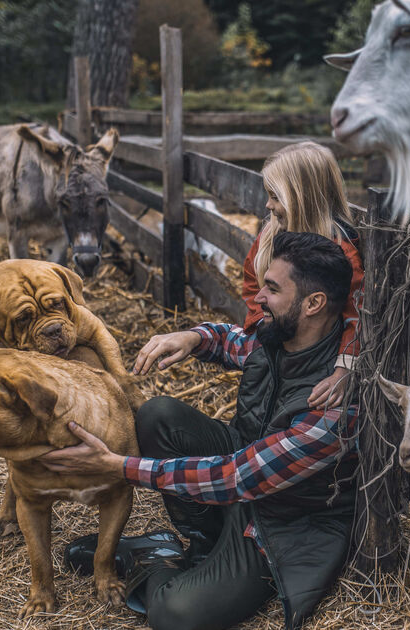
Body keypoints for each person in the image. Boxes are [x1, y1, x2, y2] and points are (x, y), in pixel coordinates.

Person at [39, 232, 359, 630]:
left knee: (174, 616)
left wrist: (119, 466)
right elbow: (232, 340)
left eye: (272, 289)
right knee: (158, 416)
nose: (258, 299)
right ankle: (203, 546)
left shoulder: (335, 402)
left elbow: (236, 477)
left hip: (286, 523)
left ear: (313, 304)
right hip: (243, 475)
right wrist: (192, 336)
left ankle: (156, 559)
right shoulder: (279, 336)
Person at [245, 141, 363, 410]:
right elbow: (252, 283)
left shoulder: (341, 252)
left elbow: (356, 315)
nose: (268, 205)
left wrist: (344, 369)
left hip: (318, 364)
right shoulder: (269, 237)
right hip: (275, 353)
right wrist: (261, 327)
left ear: (302, 197)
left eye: (275, 197)